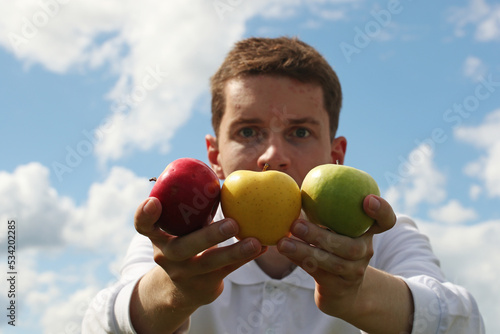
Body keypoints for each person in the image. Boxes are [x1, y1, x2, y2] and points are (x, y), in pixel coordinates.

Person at [82, 36, 484, 333]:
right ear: (214, 157)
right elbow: (98, 322)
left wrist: (359, 294)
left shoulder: (383, 238)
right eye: (248, 131)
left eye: (301, 132)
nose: (272, 155)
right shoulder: (178, 244)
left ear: (336, 155)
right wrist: (171, 294)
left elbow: (465, 321)